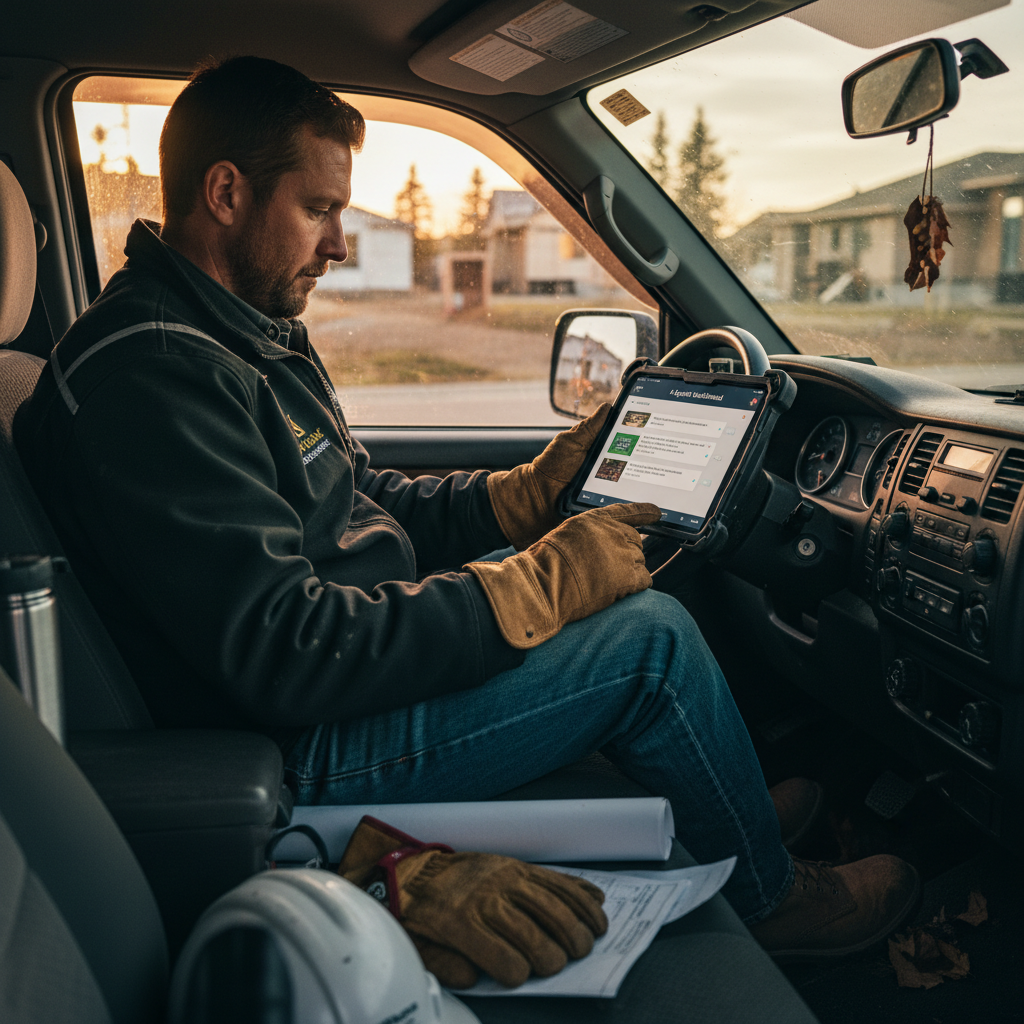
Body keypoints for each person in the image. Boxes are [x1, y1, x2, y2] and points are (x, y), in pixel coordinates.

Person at [15, 55, 919, 962]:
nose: (338, 243)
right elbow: (283, 650)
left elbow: (364, 501)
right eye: (320, 210)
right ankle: (771, 900)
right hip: (295, 744)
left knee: (613, 604)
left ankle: (727, 809)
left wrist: (525, 497)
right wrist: (539, 584)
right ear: (225, 192)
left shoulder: (242, 336)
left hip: (339, 682)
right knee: (650, 640)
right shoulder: (155, 373)